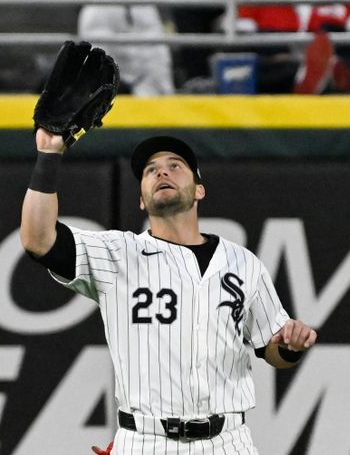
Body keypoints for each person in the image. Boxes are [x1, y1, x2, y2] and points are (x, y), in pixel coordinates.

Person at [21, 55, 318, 452]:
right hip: (145, 439)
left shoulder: (243, 263)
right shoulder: (118, 254)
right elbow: (38, 239)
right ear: (142, 201)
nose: (162, 172)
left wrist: (290, 347)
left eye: (175, 166)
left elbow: (272, 350)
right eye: (150, 170)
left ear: (199, 189)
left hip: (228, 441)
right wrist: (49, 154)